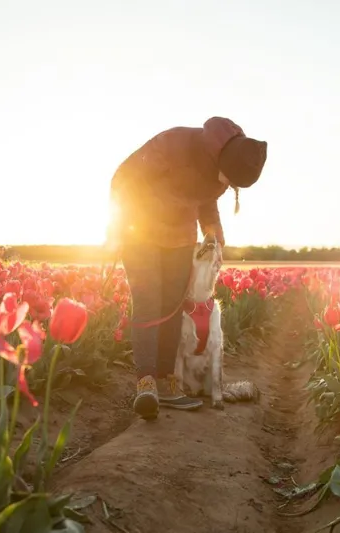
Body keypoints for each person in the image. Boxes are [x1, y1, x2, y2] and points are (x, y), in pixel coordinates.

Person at [105, 117, 268, 420]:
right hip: (140, 232)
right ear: (222, 158)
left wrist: (213, 234)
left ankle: (166, 383)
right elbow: (124, 179)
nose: (226, 185)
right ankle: (146, 383)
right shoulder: (173, 145)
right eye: (229, 179)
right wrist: (119, 226)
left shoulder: (221, 170)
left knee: (172, 306)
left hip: (180, 237)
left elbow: (206, 200)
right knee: (148, 302)